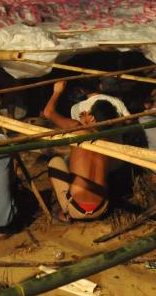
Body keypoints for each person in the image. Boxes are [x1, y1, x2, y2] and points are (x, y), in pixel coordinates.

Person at [42, 80, 111, 222]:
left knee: (55, 161)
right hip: (102, 208)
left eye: (88, 113)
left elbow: (48, 113)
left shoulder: (77, 128)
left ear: (92, 117)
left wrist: (57, 92)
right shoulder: (109, 138)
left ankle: (64, 212)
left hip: (77, 210)